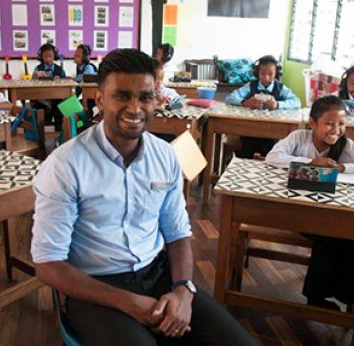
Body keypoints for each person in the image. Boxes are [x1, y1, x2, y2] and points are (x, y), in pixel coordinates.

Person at [31, 48, 256, 346]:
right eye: (122, 96)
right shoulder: (65, 165)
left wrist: (183, 290)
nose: (135, 108)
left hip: (158, 275)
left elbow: (177, 233)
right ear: (100, 100)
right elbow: (48, 263)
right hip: (95, 289)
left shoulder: (164, 156)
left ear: (157, 100)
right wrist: (129, 302)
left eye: (145, 97)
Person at [266, 95, 354, 310]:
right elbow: (272, 157)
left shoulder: (345, 145)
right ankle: (316, 297)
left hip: (328, 210)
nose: (336, 130)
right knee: (329, 232)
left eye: (341, 124)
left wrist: (344, 167)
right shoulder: (299, 137)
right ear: (312, 123)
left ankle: (353, 297)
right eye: (329, 123)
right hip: (296, 210)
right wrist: (310, 162)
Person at [226, 55, 301, 159]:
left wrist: (278, 104)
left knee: (270, 150)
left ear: (276, 74)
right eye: (262, 74)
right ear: (257, 73)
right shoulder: (251, 86)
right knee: (247, 149)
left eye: (270, 74)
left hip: (272, 131)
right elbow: (230, 97)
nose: (266, 78)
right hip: (249, 130)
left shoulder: (280, 88)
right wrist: (244, 102)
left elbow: (297, 102)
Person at [31, 43, 67, 131]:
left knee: (60, 110)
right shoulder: (38, 68)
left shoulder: (60, 69)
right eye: (45, 56)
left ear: (54, 56)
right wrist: (35, 76)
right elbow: (31, 84)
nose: (48, 59)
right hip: (41, 99)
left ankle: (59, 135)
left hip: (56, 98)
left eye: (50, 56)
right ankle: (40, 137)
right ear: (41, 57)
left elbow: (65, 84)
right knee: (40, 114)